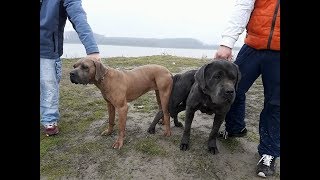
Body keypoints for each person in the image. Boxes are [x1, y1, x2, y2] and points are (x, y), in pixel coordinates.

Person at [214, 0, 280, 178]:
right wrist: (227, 42)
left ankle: (269, 153)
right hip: (252, 47)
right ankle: (235, 128)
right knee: (233, 90)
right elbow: (243, 6)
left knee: (275, 104)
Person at [40, 0, 100, 136]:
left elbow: (78, 16)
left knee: (48, 86)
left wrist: (92, 49)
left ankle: (49, 121)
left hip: (47, 49)